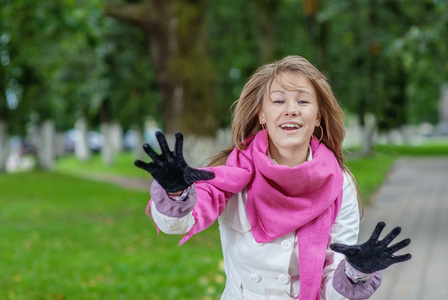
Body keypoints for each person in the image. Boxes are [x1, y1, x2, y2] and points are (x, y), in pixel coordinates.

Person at [135, 55, 412, 300]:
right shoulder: (230, 171)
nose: (291, 109)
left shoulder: (339, 183)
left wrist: (355, 273)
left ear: (317, 117)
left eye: (303, 101)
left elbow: (331, 290)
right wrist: (175, 193)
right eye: (278, 100)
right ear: (263, 115)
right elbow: (178, 223)